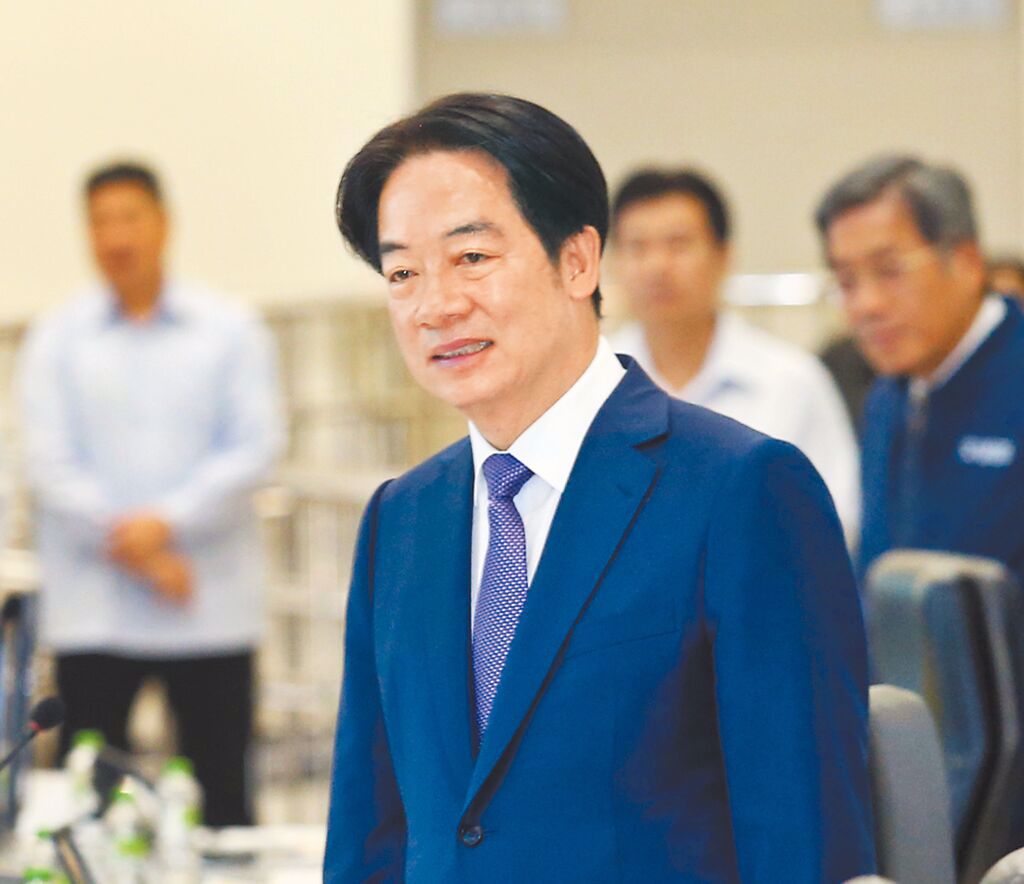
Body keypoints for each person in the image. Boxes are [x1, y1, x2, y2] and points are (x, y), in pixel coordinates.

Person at [325, 93, 875, 882]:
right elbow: (370, 833)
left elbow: (801, 834)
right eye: (403, 272)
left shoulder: (741, 490)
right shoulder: (400, 520)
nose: (436, 305)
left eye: (471, 257)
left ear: (578, 261)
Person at [18, 162, 284, 826]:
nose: (116, 236)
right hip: (96, 610)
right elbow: (47, 461)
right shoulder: (56, 339)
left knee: (221, 797)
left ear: (163, 223)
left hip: (206, 602)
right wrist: (141, 551)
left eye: (129, 217)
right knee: (90, 799)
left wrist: (165, 525)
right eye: (100, 221)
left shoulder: (230, 330)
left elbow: (255, 446)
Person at [608, 169, 861, 539]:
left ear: (723, 256)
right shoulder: (594, 383)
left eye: (678, 244)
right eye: (637, 247)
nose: (657, 266)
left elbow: (834, 522)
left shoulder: (792, 381)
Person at [815, 155, 1024, 582]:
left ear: (966, 262)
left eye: (889, 271)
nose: (866, 305)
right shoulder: (887, 395)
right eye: (847, 281)